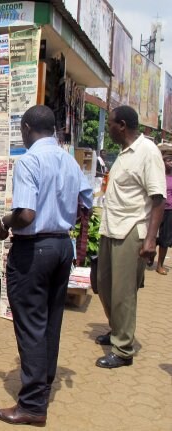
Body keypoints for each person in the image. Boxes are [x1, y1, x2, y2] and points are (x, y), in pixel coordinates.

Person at [0, 105, 93, 426]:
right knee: (50, 321)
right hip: (62, 246)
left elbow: (26, 214)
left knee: (31, 324)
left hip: (34, 249)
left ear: (28, 128)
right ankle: (42, 385)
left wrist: (5, 222)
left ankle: (32, 405)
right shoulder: (70, 162)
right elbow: (86, 203)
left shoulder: (29, 161)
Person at [95, 106, 166, 368]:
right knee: (104, 284)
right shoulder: (124, 154)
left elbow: (158, 199)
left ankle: (123, 350)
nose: (108, 128)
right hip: (111, 228)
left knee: (124, 292)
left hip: (131, 230)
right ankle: (117, 331)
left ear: (122, 125)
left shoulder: (147, 152)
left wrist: (150, 240)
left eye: (111, 124)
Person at [156, 154, 172, 275]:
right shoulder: (158, 175)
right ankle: (150, 256)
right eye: (168, 160)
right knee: (152, 235)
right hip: (156, 208)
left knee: (165, 239)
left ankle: (160, 264)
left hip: (169, 210)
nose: (171, 162)